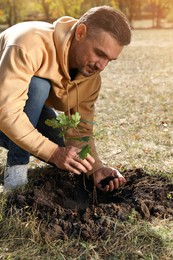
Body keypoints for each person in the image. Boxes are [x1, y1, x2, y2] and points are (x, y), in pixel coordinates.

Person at [0, 5, 131, 192]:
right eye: (100, 53)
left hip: (22, 105)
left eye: (109, 60)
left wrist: (96, 168)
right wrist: (53, 153)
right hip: (4, 103)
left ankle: (21, 143)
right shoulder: (28, 43)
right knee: (38, 86)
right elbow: (7, 112)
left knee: (71, 155)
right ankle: (16, 170)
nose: (102, 66)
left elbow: (80, 129)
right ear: (80, 32)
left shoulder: (91, 76)